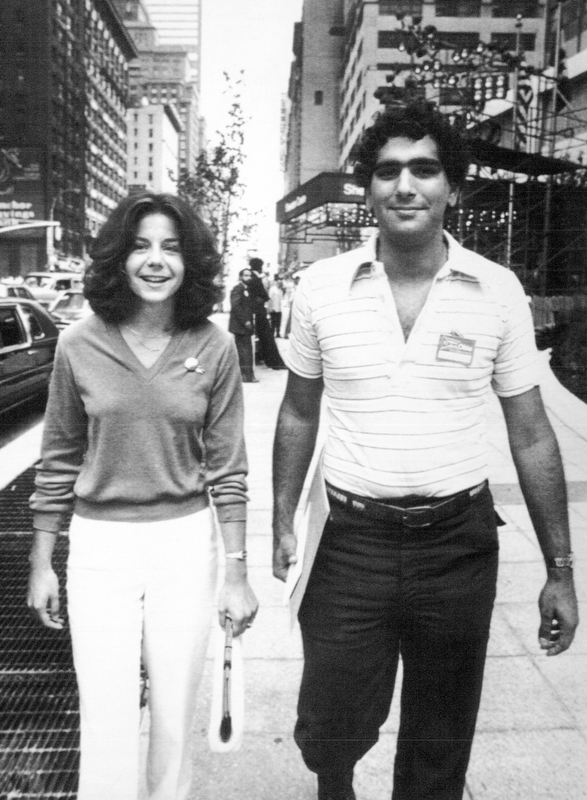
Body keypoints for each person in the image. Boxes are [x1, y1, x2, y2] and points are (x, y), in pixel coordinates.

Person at [272, 102, 578, 800]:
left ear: (452, 187)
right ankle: (335, 783)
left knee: (440, 746)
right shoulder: (322, 288)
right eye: (387, 171)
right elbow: (296, 412)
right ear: (368, 189)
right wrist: (280, 516)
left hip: (455, 547)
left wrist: (559, 568)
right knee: (328, 726)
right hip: (347, 546)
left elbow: (530, 432)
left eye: (423, 169)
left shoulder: (495, 290)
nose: (404, 185)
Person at [27, 192, 258, 800]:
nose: (156, 261)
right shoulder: (79, 344)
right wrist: (41, 561)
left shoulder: (215, 347)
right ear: (117, 259)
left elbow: (229, 469)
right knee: (104, 715)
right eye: (140, 246)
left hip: (185, 546)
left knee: (176, 716)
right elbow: (57, 458)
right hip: (100, 548)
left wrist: (236, 574)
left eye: (172, 248)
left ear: (192, 264)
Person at [248, 256, 287, 369]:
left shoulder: (250, 276)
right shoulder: (255, 278)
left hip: (253, 311)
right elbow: (264, 296)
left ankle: (261, 357)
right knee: (267, 337)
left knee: (261, 337)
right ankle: (274, 362)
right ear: (259, 266)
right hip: (259, 311)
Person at [229, 267, 258, 382]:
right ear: (241, 277)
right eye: (246, 275)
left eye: (250, 275)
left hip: (245, 325)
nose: (248, 278)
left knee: (245, 350)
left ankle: (246, 375)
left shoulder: (248, 289)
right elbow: (235, 306)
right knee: (244, 351)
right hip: (240, 325)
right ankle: (246, 375)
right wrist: (245, 321)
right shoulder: (238, 289)